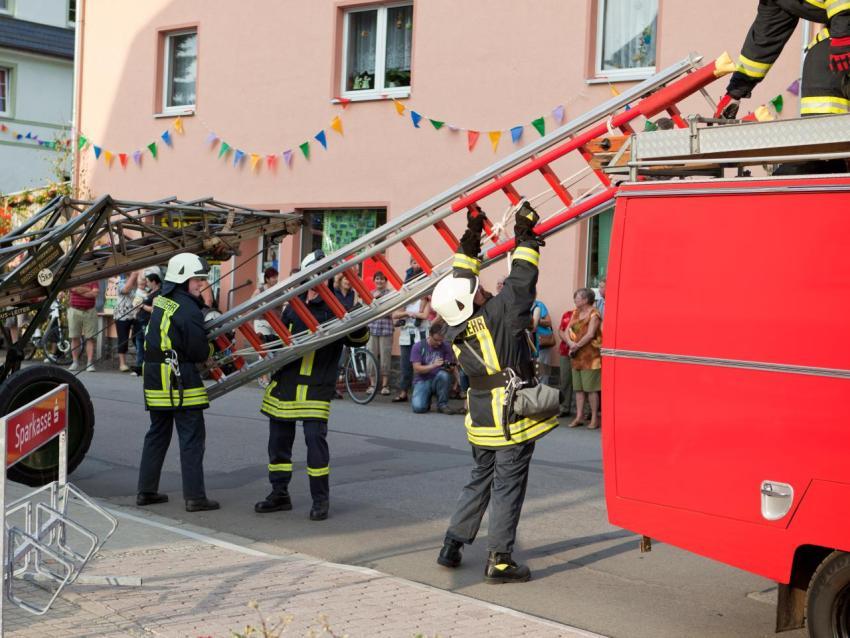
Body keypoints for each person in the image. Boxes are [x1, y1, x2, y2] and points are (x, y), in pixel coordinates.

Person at [431, 201, 558, 584]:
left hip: (481, 417)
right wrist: (525, 235)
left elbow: (461, 280)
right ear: (473, 301)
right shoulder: (502, 315)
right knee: (507, 486)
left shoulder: (455, 327)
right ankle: (500, 559)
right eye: (479, 289)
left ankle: (453, 544)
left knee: (479, 479)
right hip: (510, 419)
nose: (483, 287)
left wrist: (472, 234)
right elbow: (522, 279)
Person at [255, 249, 369, 521]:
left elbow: (359, 339)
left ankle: (320, 499)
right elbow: (283, 340)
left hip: (316, 387)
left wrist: (359, 319)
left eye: (322, 273)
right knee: (278, 443)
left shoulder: (337, 305)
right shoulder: (293, 304)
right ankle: (279, 493)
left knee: (315, 445)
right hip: (286, 385)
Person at [137, 253, 219, 512]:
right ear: (183, 279)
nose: (200, 284)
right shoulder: (189, 309)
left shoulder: (162, 301)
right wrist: (213, 349)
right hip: (179, 378)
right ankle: (195, 497)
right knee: (192, 436)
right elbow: (197, 352)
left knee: (157, 434)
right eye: (197, 279)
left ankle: (146, 491)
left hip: (154, 377)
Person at [716, 1, 850, 123]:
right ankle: (825, 141)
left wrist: (842, 38)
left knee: (823, 65)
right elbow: (764, 41)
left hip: (844, 27)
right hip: (843, 27)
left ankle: (828, 137)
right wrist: (735, 92)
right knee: (820, 66)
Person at [565, 288, 602, 430]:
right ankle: (579, 416)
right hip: (576, 355)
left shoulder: (594, 314)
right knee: (578, 389)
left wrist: (576, 346)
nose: (575, 300)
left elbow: (591, 334)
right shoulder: (576, 312)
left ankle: (594, 418)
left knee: (591, 389)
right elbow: (567, 330)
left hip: (591, 357)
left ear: (586, 300)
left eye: (577, 298)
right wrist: (570, 343)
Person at [411, 322, 461, 415]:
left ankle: (442, 404)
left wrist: (449, 367)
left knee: (444, 375)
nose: (439, 343)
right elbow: (416, 369)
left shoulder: (445, 346)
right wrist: (433, 365)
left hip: (438, 378)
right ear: (430, 335)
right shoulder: (418, 346)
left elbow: (450, 369)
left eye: (441, 340)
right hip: (422, 380)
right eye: (436, 340)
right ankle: (426, 398)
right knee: (419, 408)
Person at [391, 296, 431, 402]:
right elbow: (395, 315)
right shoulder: (406, 300)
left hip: (421, 334)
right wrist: (407, 313)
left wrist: (407, 314)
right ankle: (403, 392)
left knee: (422, 364)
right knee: (405, 365)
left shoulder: (425, 299)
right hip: (406, 335)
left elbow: (425, 315)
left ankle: (424, 393)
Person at [366, 271, 394, 395]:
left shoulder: (391, 294)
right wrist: (374, 299)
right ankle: (372, 384)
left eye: (382, 279)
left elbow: (391, 311)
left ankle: (385, 385)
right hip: (372, 329)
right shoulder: (369, 294)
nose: (379, 281)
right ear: (374, 280)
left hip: (386, 329)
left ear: (386, 281)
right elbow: (366, 311)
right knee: (370, 356)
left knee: (385, 356)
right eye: (377, 278)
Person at [132, 267, 162, 376]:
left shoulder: (158, 293)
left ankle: (146, 367)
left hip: (147, 322)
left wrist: (142, 305)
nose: (146, 284)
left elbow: (154, 309)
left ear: (154, 282)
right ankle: (139, 366)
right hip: (140, 321)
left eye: (148, 282)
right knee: (139, 344)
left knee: (146, 345)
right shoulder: (149, 292)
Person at [253, 267, 279, 387]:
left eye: (276, 276)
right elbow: (251, 303)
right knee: (264, 348)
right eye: (273, 277)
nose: (275, 279)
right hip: (261, 322)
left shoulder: (279, 289)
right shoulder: (260, 290)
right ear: (267, 279)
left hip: (275, 323)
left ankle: (272, 376)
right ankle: (264, 378)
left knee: (276, 350)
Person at [68, 281, 99, 372]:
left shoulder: (94, 278)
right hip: (74, 310)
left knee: (90, 338)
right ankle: (75, 362)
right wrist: (88, 290)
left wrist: (78, 290)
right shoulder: (74, 277)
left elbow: (95, 293)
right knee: (74, 336)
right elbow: (72, 288)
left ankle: (89, 363)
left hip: (90, 311)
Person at [114, 270, 139, 372]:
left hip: (136, 314)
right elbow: (126, 289)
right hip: (122, 315)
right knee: (123, 339)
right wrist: (134, 275)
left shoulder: (140, 282)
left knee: (138, 338)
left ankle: (140, 361)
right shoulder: (121, 282)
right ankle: (122, 364)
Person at [557, 307, 575, 417]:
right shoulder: (568, 314)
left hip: (582, 352)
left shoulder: (591, 314)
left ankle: (588, 411)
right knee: (565, 380)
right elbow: (560, 331)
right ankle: (564, 407)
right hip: (565, 350)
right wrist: (569, 342)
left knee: (583, 384)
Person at [531, 298, 554, 385]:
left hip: (542, 342)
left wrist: (536, 320)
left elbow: (549, 322)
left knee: (543, 371)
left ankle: (543, 394)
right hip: (528, 344)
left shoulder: (539, 304)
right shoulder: (519, 305)